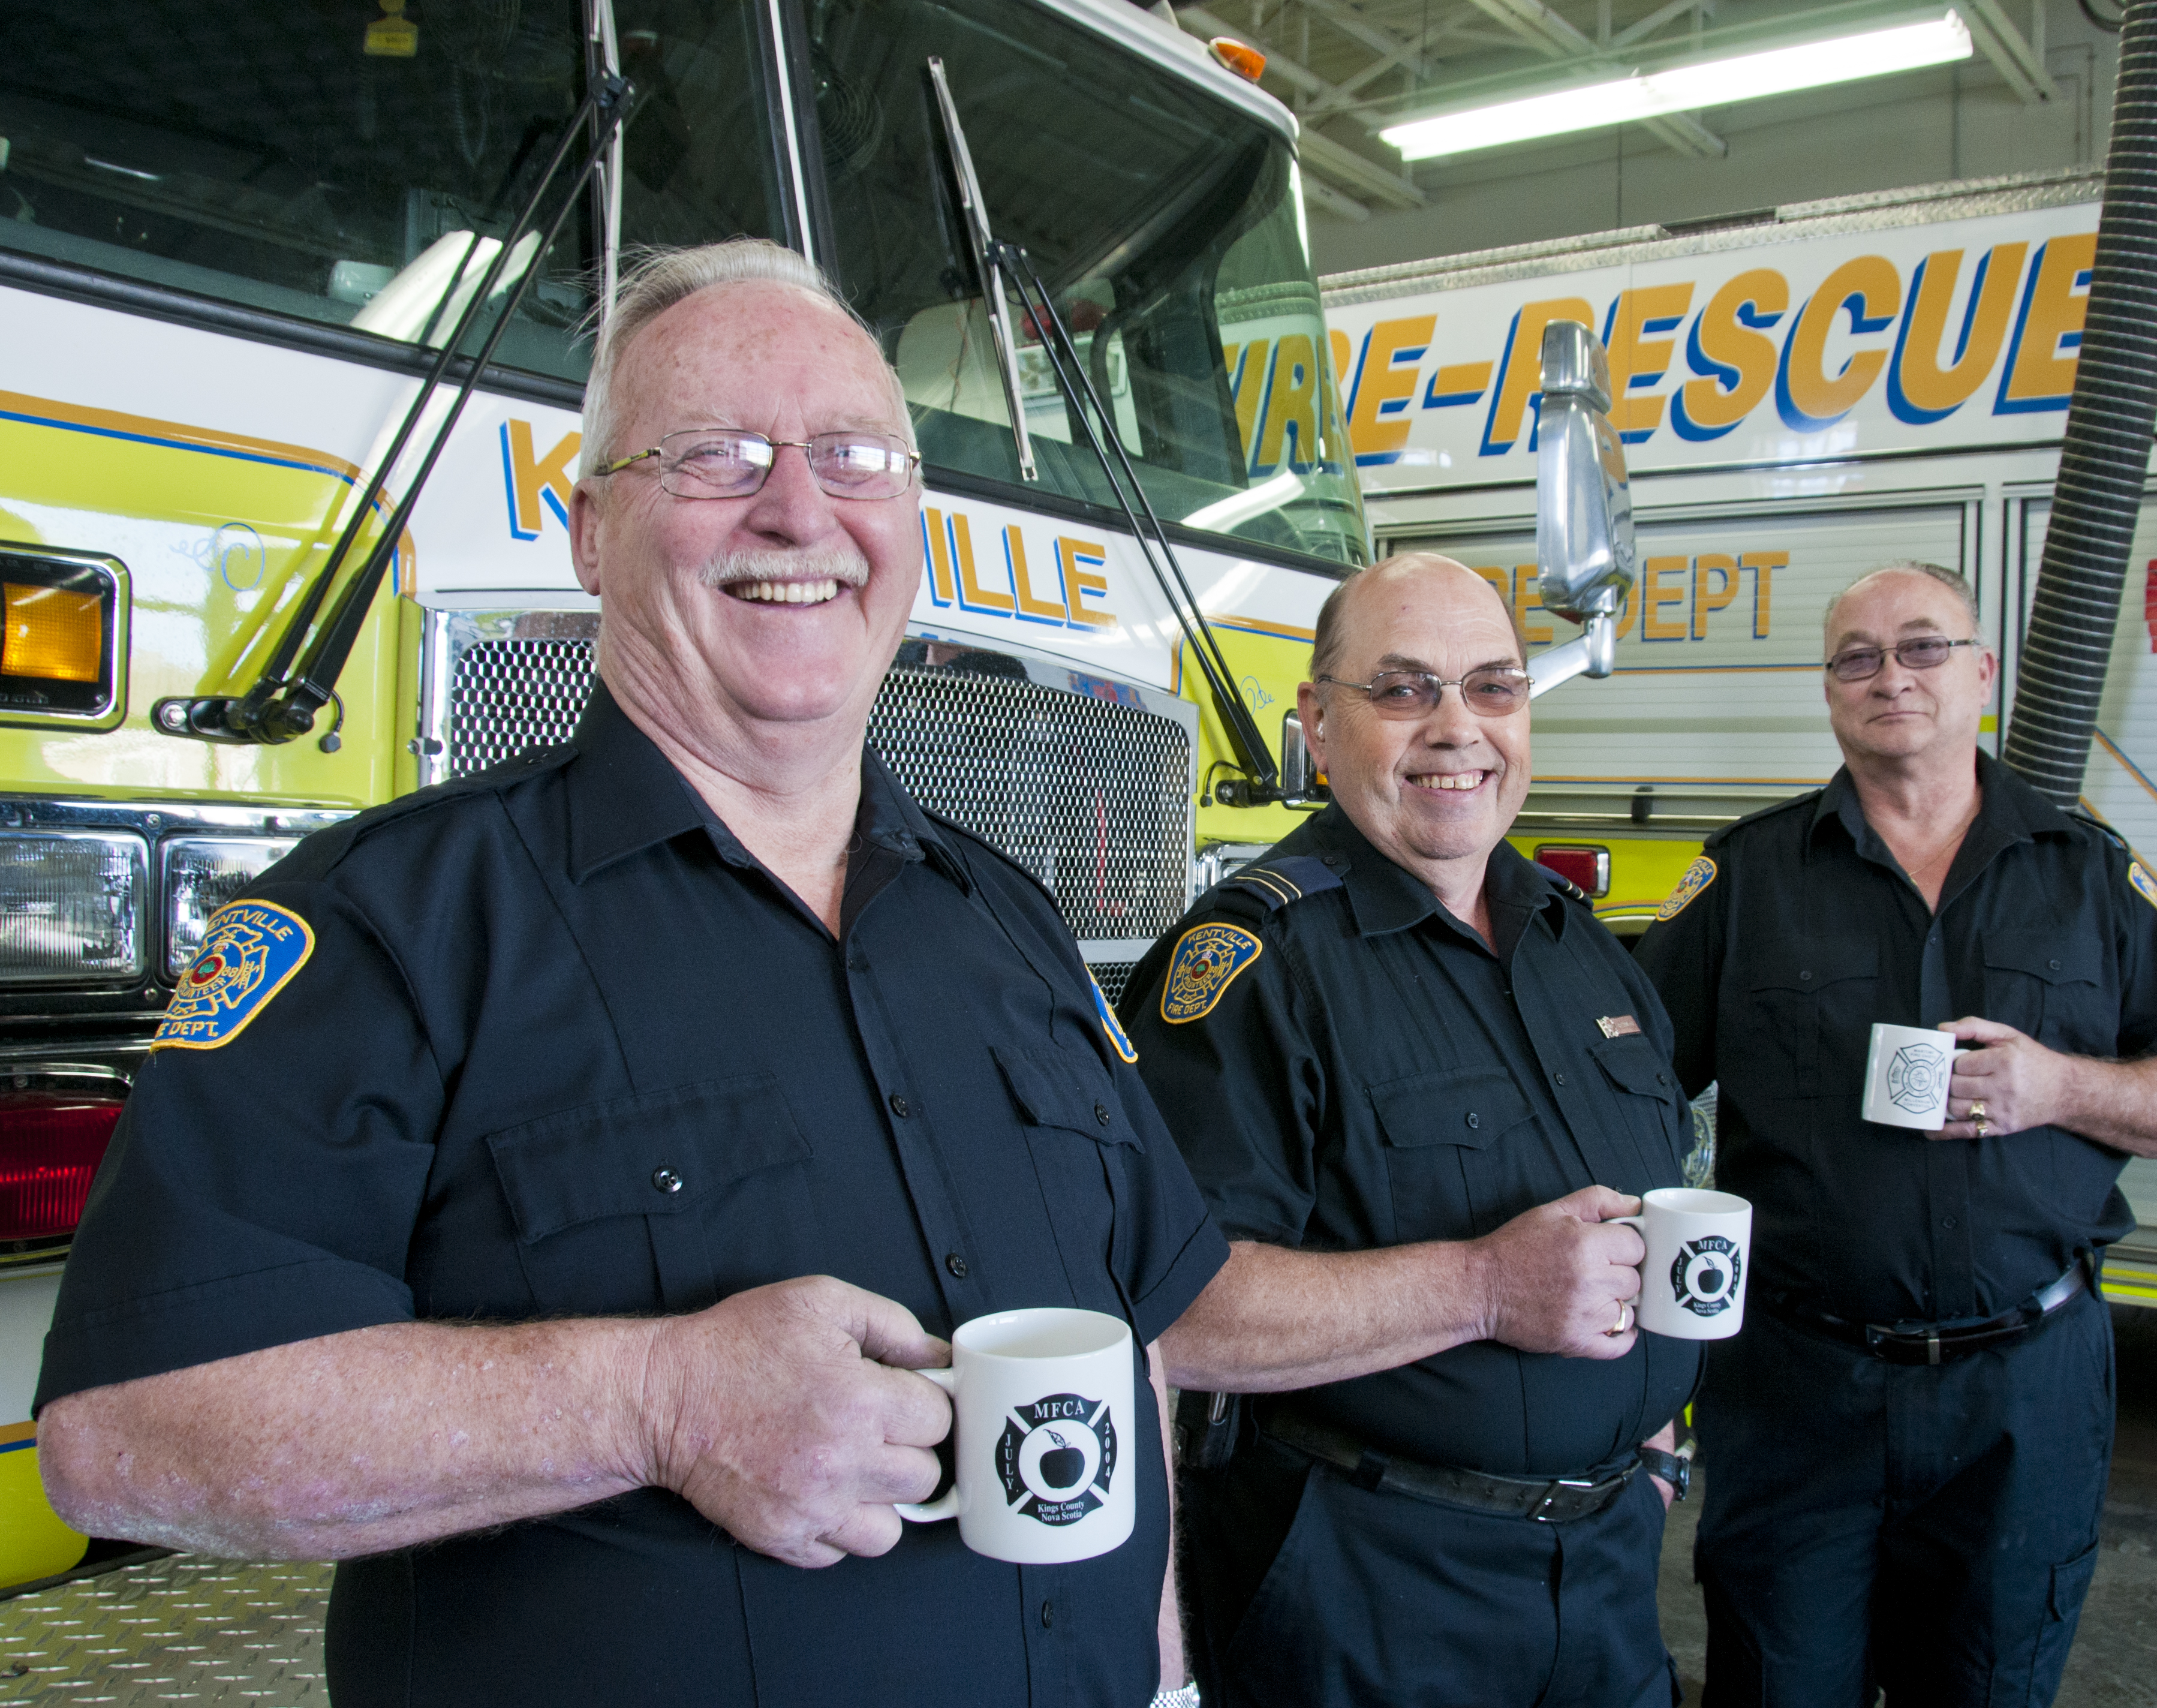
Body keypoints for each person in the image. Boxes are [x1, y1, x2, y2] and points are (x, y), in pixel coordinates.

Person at [34, 240, 1225, 1707]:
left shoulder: (1014, 925)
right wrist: (656, 1401)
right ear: (591, 527)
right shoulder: (388, 926)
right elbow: (129, 1432)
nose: (801, 511)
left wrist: (1165, 1676)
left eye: (855, 456)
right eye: (719, 456)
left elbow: (1133, 1337)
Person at [1635, 561, 2157, 1708]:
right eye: (1856, 656)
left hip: (2025, 1400)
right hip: (1797, 1394)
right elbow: (1622, 1093)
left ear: (1982, 672)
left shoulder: (2087, 878)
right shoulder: (1748, 877)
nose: (1890, 677)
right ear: (1829, 690)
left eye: (1921, 647)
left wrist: (2057, 1087)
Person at [1133, 554, 1701, 1708]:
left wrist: (1648, 1443)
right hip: (1370, 1597)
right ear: (1318, 723)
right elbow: (1173, 1315)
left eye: (1494, 687)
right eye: (1403, 691)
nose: (1458, 729)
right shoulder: (1257, 967)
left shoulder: (1581, 945)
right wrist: (1484, 1288)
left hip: (1607, 1578)